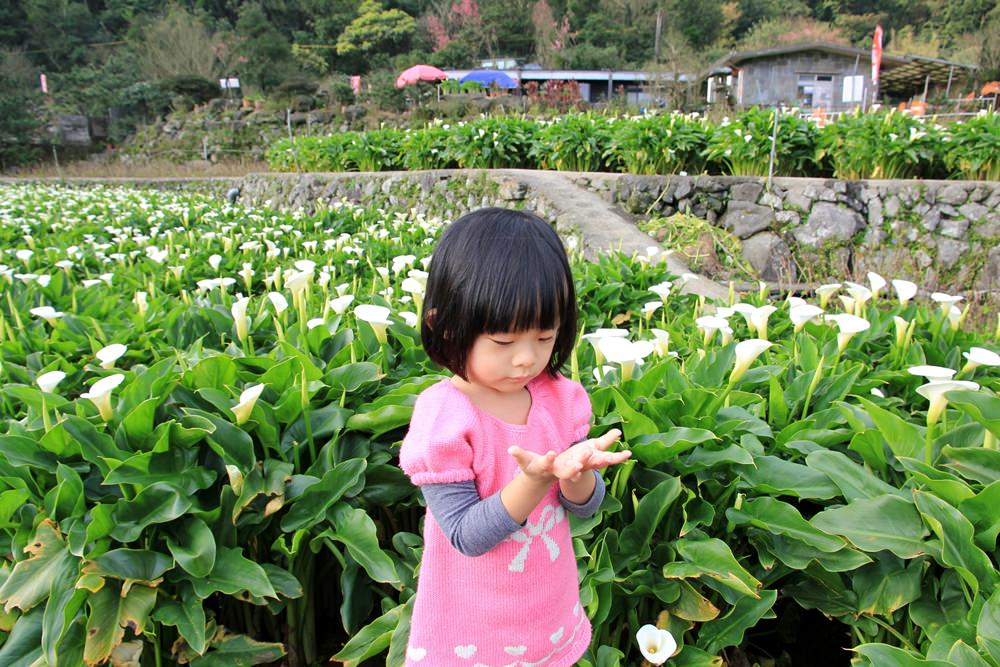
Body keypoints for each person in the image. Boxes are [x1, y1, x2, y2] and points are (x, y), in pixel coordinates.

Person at [399, 207, 631, 666]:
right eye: (504, 343)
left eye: (544, 337)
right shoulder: (444, 419)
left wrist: (576, 474)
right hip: (472, 634)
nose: (526, 359)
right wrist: (536, 480)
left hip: (547, 614)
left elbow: (582, 506)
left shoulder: (557, 400)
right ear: (443, 324)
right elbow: (466, 535)